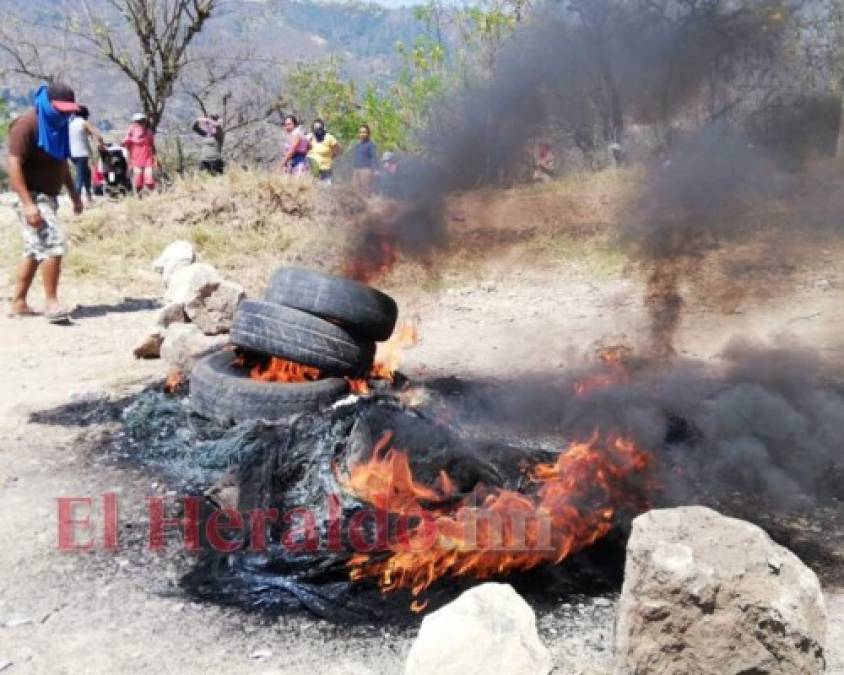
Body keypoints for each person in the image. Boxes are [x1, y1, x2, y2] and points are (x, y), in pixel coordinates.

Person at [7, 82, 83, 322]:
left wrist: (73, 193)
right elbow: (13, 165)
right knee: (53, 244)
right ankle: (52, 303)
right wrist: (28, 205)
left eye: (68, 110)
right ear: (46, 104)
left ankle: (18, 302)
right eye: (60, 109)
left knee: (33, 250)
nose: (65, 114)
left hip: (49, 196)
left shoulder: (58, 127)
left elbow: (61, 162)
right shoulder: (26, 125)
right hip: (31, 196)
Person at [69, 105, 105, 204]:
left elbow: (85, 134)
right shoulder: (83, 123)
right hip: (81, 153)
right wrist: (101, 144)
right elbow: (96, 133)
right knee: (80, 176)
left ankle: (89, 196)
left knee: (86, 173)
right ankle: (77, 201)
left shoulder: (71, 123)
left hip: (71, 153)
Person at [122, 112, 158, 195]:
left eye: (142, 121)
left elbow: (152, 146)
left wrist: (155, 159)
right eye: (138, 122)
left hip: (148, 160)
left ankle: (153, 196)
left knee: (149, 181)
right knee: (138, 183)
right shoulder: (130, 135)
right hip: (136, 161)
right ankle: (139, 197)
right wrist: (129, 162)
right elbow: (126, 147)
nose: (140, 123)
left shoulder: (149, 133)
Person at [306, 118, 341, 184]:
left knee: (326, 189)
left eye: (319, 127)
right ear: (313, 129)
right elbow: (303, 148)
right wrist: (308, 142)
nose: (318, 130)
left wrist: (332, 156)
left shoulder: (329, 137)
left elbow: (338, 149)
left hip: (325, 169)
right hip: (312, 169)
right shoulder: (309, 136)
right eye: (315, 128)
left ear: (323, 127)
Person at [351, 124, 378, 198]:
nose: (362, 134)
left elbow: (374, 157)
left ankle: (368, 207)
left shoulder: (371, 145)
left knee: (365, 191)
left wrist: (375, 170)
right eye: (360, 132)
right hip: (356, 170)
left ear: (368, 134)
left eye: (364, 132)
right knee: (355, 190)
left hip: (366, 170)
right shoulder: (357, 145)